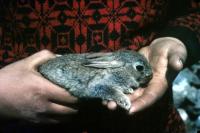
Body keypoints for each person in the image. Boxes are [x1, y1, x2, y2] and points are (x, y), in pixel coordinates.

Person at [0, 0, 199, 132]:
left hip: (149, 124)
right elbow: (99, 87)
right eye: (140, 69)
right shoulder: (111, 69)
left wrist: (179, 37)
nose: (145, 75)